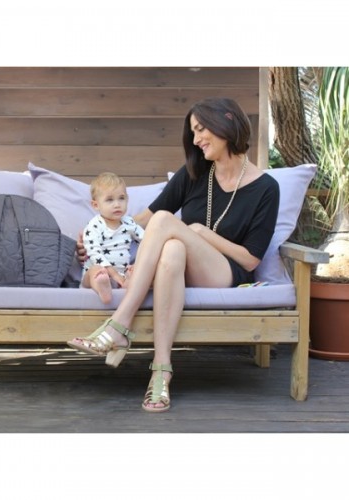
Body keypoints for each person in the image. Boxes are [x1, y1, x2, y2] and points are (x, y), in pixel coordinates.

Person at [68, 97, 280, 413]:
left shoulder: (266, 188)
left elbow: (251, 259)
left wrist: (202, 233)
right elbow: (144, 219)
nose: (196, 140)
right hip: (180, 267)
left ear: (226, 122)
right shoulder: (195, 172)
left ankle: (119, 325)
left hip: (225, 273)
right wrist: (97, 231)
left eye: (201, 129)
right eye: (193, 132)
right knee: (173, 248)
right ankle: (161, 372)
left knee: (168, 222)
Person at [80, 172, 144, 304]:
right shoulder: (94, 226)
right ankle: (102, 286)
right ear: (96, 205)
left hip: (122, 274)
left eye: (121, 198)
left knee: (135, 271)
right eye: (110, 200)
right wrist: (113, 274)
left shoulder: (129, 223)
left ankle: (127, 284)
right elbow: (94, 253)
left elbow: (147, 240)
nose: (117, 204)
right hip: (100, 270)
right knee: (94, 271)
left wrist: (137, 265)